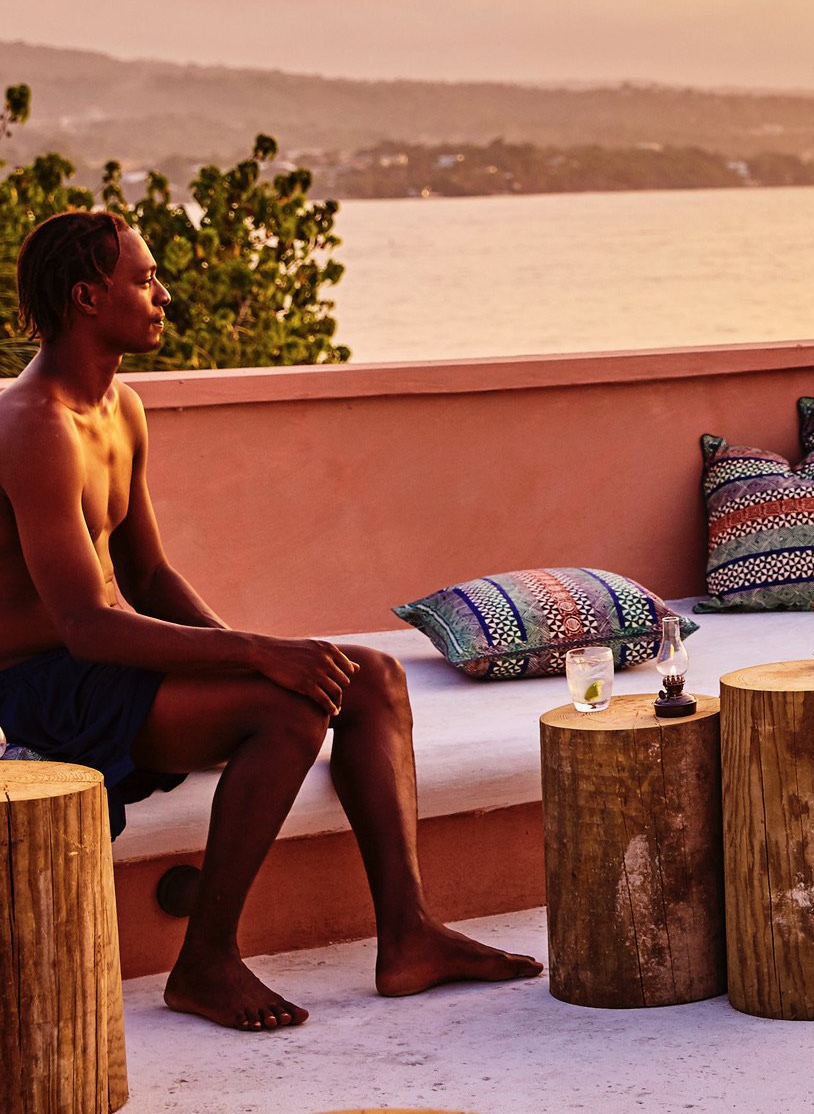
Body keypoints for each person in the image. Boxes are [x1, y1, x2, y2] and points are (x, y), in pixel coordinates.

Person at [0, 211, 540, 1030]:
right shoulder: (35, 429)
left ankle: (410, 935)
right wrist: (258, 659)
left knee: (373, 678)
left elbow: (146, 574)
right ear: (85, 297)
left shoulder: (122, 407)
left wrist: (253, 653)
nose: (163, 294)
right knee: (284, 707)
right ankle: (206, 962)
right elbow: (84, 624)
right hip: (46, 688)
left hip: (117, 664)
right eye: (144, 281)